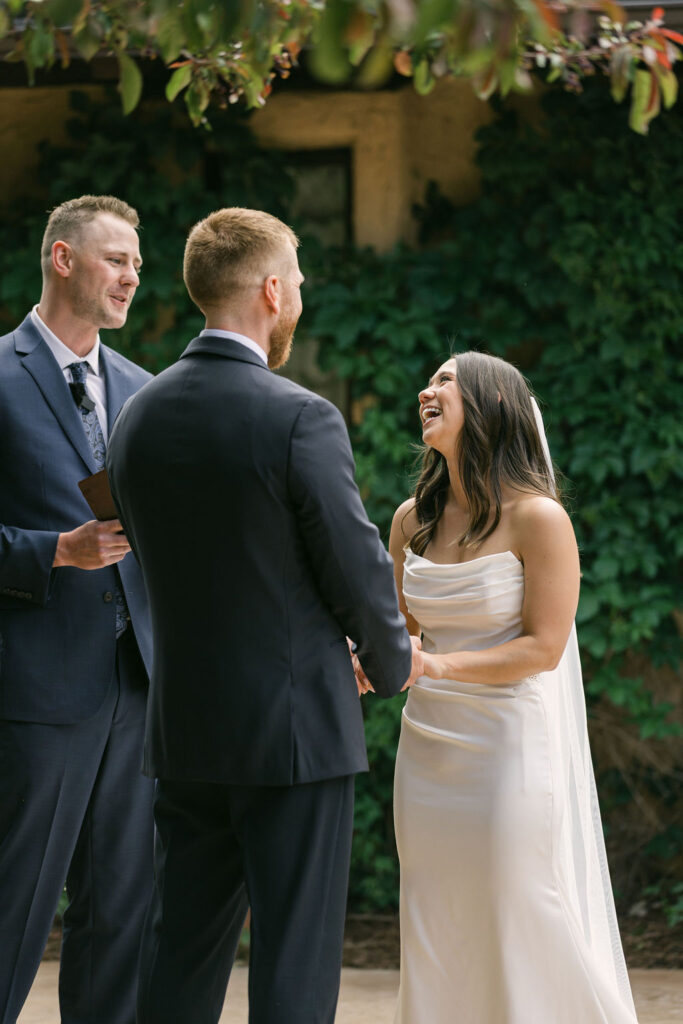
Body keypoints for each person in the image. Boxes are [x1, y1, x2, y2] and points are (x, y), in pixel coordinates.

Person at [106, 206, 423, 1024]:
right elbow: (354, 567)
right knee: (294, 958)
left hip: (184, 732)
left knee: (180, 948)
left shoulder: (135, 416)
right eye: (301, 285)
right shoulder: (298, 417)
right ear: (273, 291)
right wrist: (390, 664)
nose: (302, 299)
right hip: (294, 734)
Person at [387, 352, 639, 1023]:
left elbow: (542, 647)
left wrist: (434, 667)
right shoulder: (409, 520)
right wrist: (367, 663)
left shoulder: (538, 520)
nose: (426, 389)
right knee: (434, 910)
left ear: (491, 405)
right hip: (427, 751)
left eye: (445, 381)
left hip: (507, 747)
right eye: (429, 379)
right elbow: (400, 634)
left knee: (515, 902)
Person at [0, 195, 155, 1024]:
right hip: (32, 695)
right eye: (117, 260)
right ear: (63, 259)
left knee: (122, 918)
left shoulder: (144, 391)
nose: (133, 276)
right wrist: (54, 550)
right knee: (12, 909)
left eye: (136, 262)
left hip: (135, 691)